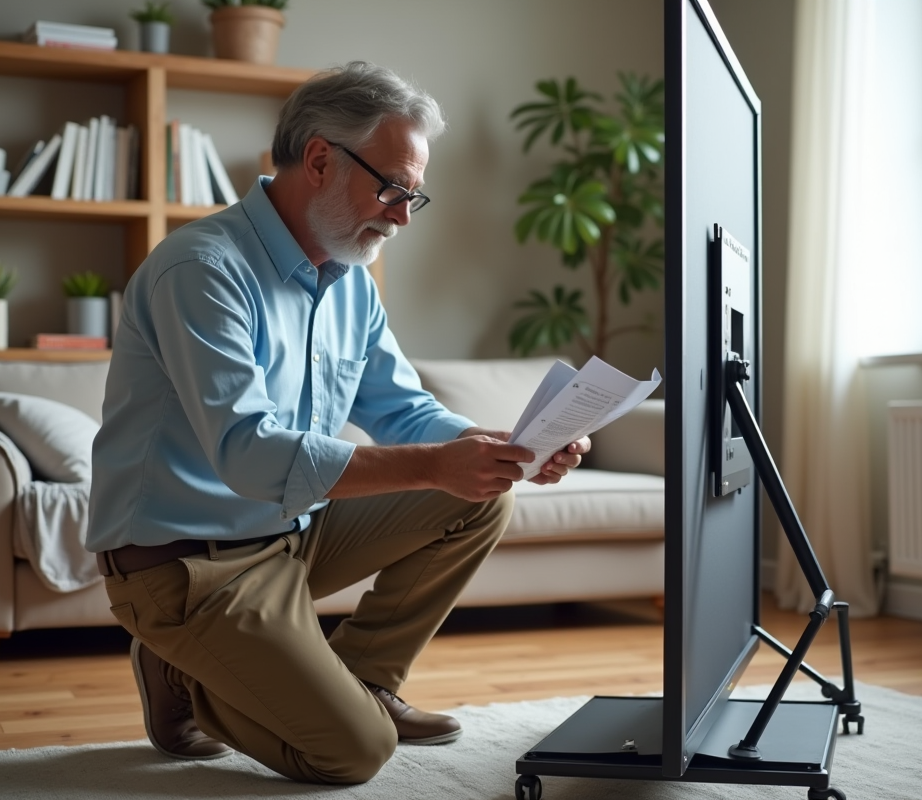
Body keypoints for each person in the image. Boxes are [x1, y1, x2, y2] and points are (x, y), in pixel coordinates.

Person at [86, 61, 591, 785]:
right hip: (185, 567)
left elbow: (401, 410)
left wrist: (504, 450)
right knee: (351, 754)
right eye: (393, 187)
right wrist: (431, 464)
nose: (403, 215)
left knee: (479, 499)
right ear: (320, 159)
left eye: (415, 195)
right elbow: (248, 454)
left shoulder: (350, 281)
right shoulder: (201, 270)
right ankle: (185, 671)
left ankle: (364, 683)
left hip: (286, 538)